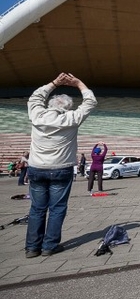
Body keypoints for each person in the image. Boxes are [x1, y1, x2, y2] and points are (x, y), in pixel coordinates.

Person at [24, 73, 97, 258]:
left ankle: (32, 248)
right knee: (57, 208)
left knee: (37, 208)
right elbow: (90, 102)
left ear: (49, 105)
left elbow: (35, 97)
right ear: (67, 107)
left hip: (37, 168)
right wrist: (79, 83)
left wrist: (55, 83)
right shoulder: (71, 118)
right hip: (60, 168)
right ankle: (49, 246)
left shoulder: (36, 115)